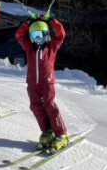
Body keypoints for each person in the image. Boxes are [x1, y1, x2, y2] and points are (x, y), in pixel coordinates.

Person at [15, 13, 70, 150]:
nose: (37, 38)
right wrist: (28, 22)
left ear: (46, 35)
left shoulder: (52, 46)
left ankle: (61, 134)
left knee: (50, 106)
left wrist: (52, 20)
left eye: (40, 34)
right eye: (34, 35)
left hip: (47, 82)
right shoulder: (29, 47)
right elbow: (19, 35)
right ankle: (47, 131)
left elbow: (61, 34)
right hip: (32, 82)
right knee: (35, 106)